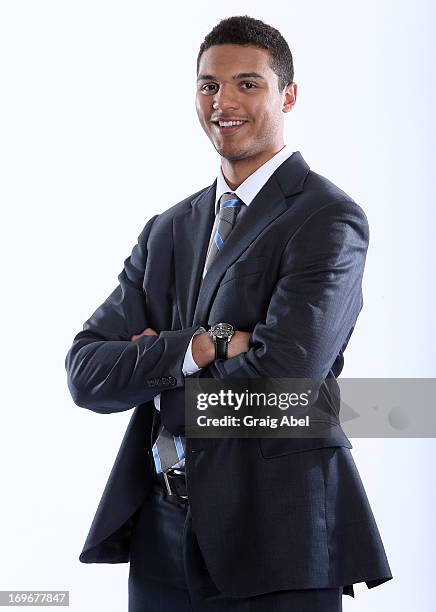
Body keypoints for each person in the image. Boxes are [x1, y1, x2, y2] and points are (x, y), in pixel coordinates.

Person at [65, 15, 393, 612]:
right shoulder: (167, 230)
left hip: (275, 537)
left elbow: (284, 380)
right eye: (209, 86)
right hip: (160, 530)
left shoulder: (326, 218)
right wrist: (205, 346)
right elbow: (86, 372)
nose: (224, 102)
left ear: (287, 94)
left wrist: (152, 368)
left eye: (248, 84)